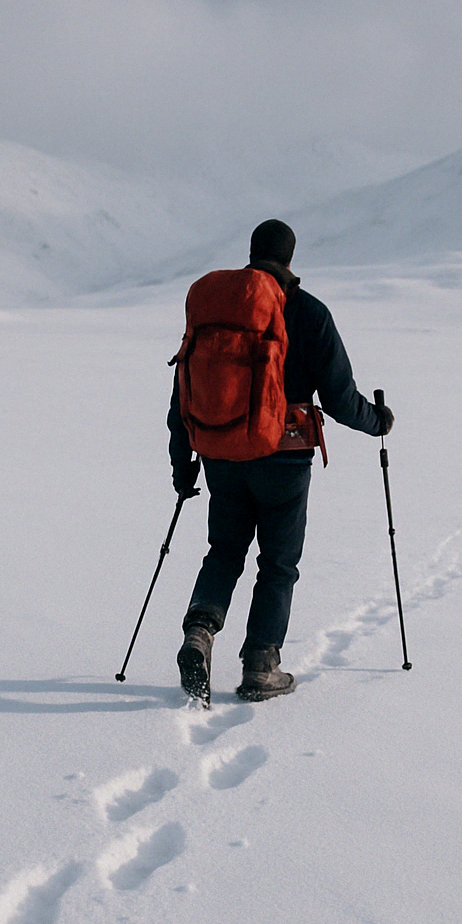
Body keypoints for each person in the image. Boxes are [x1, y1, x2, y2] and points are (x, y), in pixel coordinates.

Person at [168, 218, 392, 702]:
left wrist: (181, 461)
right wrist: (378, 421)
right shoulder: (308, 312)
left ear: (251, 253)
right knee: (278, 564)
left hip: (221, 453)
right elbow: (338, 396)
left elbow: (184, 387)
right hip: (285, 459)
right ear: (291, 259)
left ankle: (199, 632)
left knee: (225, 551)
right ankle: (260, 667)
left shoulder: (219, 310)